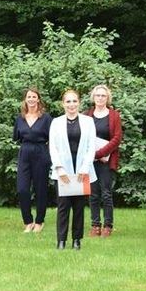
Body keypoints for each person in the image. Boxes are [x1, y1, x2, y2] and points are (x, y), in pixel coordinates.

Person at [49, 89, 97, 250]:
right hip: (63, 171)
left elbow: (91, 146)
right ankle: (61, 240)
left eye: (74, 101)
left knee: (78, 207)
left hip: (82, 170)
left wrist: (85, 168)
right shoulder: (56, 122)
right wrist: (59, 168)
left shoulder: (88, 122)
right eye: (68, 101)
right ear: (63, 104)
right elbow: (53, 147)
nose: (71, 105)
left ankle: (77, 240)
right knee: (63, 207)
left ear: (79, 102)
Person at [84, 84, 123, 237]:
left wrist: (100, 153)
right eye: (98, 95)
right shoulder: (87, 115)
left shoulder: (114, 116)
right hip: (90, 160)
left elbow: (117, 138)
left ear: (107, 98)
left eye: (103, 96)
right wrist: (90, 155)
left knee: (106, 193)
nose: (100, 98)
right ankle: (95, 225)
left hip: (106, 160)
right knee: (93, 194)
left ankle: (108, 225)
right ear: (93, 98)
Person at [13, 88, 53, 233]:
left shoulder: (46, 118)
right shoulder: (20, 118)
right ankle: (28, 221)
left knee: (40, 189)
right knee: (22, 189)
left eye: (33, 97)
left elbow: (52, 138)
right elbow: (16, 137)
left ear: (38, 99)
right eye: (28, 97)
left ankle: (39, 221)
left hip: (41, 152)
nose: (31, 99)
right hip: (24, 153)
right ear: (25, 99)